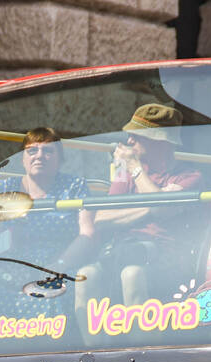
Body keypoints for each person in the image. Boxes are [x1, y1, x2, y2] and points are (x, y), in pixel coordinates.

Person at [0, 126, 96, 311]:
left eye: (48, 151)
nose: (39, 155)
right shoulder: (8, 186)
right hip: (14, 266)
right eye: (32, 150)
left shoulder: (74, 186)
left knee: (51, 300)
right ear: (23, 160)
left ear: (60, 160)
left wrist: (59, 265)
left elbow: (87, 233)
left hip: (60, 263)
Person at [87, 103, 204, 306]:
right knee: (85, 276)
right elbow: (102, 220)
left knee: (132, 274)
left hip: (168, 258)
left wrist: (135, 167)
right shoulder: (125, 173)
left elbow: (160, 208)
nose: (129, 141)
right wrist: (153, 205)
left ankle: (140, 338)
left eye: (137, 136)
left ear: (159, 142)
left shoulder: (191, 177)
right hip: (122, 251)